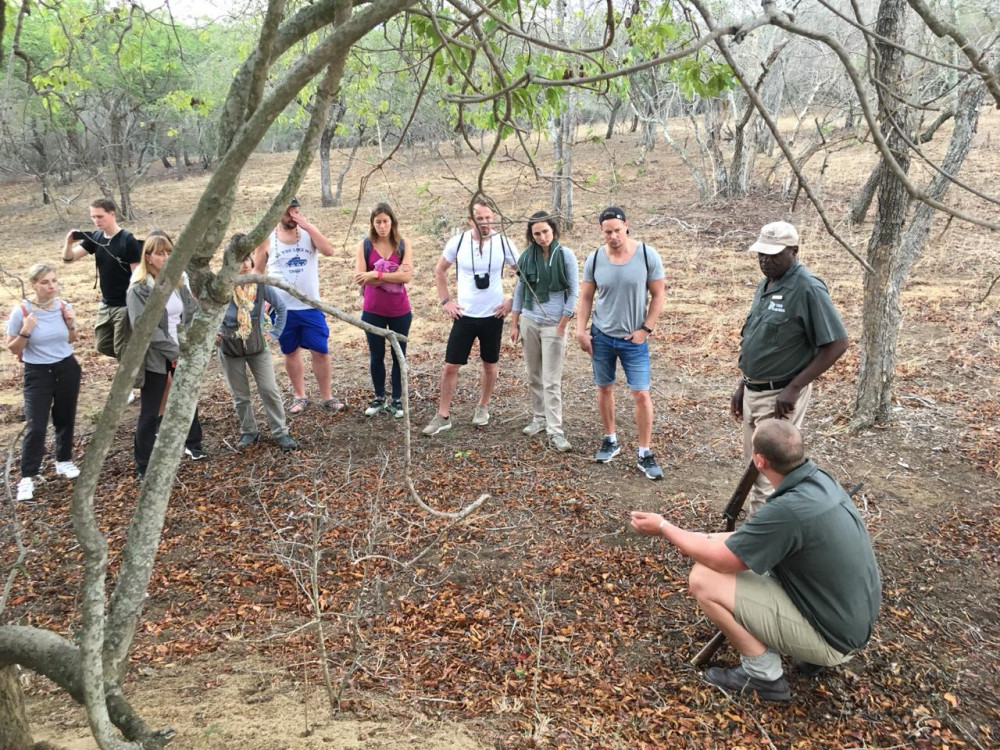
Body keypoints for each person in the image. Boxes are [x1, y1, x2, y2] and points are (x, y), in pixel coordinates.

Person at [630, 420, 881, 702]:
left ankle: (763, 675)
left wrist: (664, 527)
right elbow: (752, 539)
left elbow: (722, 562)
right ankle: (809, 654)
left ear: (759, 460)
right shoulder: (820, 481)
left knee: (704, 578)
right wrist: (694, 536)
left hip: (834, 639)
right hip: (850, 622)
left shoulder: (788, 510)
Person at [731, 221, 848, 514]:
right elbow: (763, 340)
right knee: (753, 466)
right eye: (761, 254)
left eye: (774, 255)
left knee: (767, 473)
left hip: (780, 394)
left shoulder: (807, 287)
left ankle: (765, 547)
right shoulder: (768, 283)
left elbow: (837, 344)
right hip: (754, 389)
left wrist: (794, 388)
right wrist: (743, 384)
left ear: (794, 251)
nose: (765, 261)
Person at [575, 206, 666, 479]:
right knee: (604, 388)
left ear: (627, 226)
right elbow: (586, 297)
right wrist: (581, 330)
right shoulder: (594, 258)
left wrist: (646, 329)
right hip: (601, 336)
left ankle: (644, 452)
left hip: (633, 339)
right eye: (607, 232)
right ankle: (610, 439)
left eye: (617, 230)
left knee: (641, 394)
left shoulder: (647, 255)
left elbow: (659, 295)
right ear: (601, 232)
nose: (613, 236)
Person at [423, 199, 518, 435]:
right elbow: (439, 270)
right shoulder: (458, 242)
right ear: (470, 220)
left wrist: (512, 301)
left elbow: (525, 274)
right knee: (450, 366)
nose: (485, 223)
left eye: (488, 218)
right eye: (480, 218)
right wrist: (446, 302)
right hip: (464, 316)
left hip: (493, 315)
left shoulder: (504, 243)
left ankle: (482, 407)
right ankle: (443, 415)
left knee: (490, 363)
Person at [127, 231, 206, 479]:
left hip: (180, 347)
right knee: (150, 410)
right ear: (148, 257)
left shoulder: (178, 280)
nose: (166, 257)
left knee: (186, 397)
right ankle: (143, 464)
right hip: (154, 355)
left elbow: (191, 311)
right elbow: (144, 328)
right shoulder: (139, 289)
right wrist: (175, 352)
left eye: (170, 253)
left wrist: (190, 342)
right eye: (161, 253)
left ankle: (193, 444)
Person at [253, 198, 342, 415]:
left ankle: (327, 397)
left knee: (320, 351)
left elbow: (329, 251)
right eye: (288, 211)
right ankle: (300, 395)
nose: (293, 215)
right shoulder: (267, 239)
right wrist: (262, 297)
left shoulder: (308, 234)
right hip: (282, 309)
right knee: (290, 351)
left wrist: (308, 226)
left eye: (296, 210)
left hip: (310, 306)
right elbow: (257, 271)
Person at [6, 264, 81, 501]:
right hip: (37, 372)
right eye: (45, 282)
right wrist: (26, 331)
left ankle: (63, 461)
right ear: (34, 285)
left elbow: (72, 339)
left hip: (66, 367)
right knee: (36, 425)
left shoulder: (63, 306)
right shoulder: (22, 311)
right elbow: (12, 347)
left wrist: (70, 324)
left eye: (54, 281)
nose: (51, 286)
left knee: (65, 417)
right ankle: (28, 476)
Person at [509, 211, 578, 452]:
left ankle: (555, 430)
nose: (542, 237)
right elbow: (519, 289)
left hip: (553, 325)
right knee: (534, 375)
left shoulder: (565, 255)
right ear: (531, 235)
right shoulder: (526, 257)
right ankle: (539, 417)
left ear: (553, 230)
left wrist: (562, 325)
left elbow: (574, 293)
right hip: (530, 320)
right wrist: (514, 322)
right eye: (536, 233)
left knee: (551, 380)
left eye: (545, 231)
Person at [217, 255, 298, 451]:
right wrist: (214, 332)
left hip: (257, 344)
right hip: (230, 346)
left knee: (269, 389)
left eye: (247, 259)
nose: (244, 265)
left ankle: (281, 432)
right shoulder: (221, 287)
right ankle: (249, 431)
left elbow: (281, 307)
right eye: (239, 260)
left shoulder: (260, 283)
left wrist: (274, 333)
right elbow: (205, 312)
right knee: (240, 394)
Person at [62, 198, 143, 360]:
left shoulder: (127, 239)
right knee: (102, 345)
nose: (96, 221)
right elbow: (69, 259)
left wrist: (135, 304)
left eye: (100, 216)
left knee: (122, 349)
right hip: (106, 303)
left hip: (124, 304)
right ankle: (136, 359)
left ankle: (130, 378)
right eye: (93, 217)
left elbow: (138, 276)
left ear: (112, 214)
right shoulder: (96, 237)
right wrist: (68, 243)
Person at [353, 203, 413, 419]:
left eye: (385, 221)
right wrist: (391, 274)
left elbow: (406, 277)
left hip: (400, 310)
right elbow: (360, 276)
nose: (382, 226)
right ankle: (379, 397)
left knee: (399, 355)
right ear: (372, 223)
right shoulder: (365, 245)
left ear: (392, 222)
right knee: (376, 355)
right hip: (373, 310)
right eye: (377, 221)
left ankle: (397, 399)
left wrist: (376, 275)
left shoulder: (403, 244)